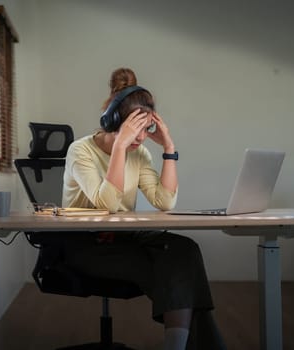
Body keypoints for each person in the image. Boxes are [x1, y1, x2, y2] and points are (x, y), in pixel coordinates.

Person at [60, 68, 225, 350]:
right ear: (115, 123)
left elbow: (165, 201)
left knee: (185, 250)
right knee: (175, 272)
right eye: (135, 130)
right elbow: (108, 204)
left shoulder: (141, 153)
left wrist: (169, 148)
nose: (141, 138)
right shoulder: (81, 150)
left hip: (125, 237)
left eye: (146, 129)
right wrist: (121, 147)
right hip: (85, 242)